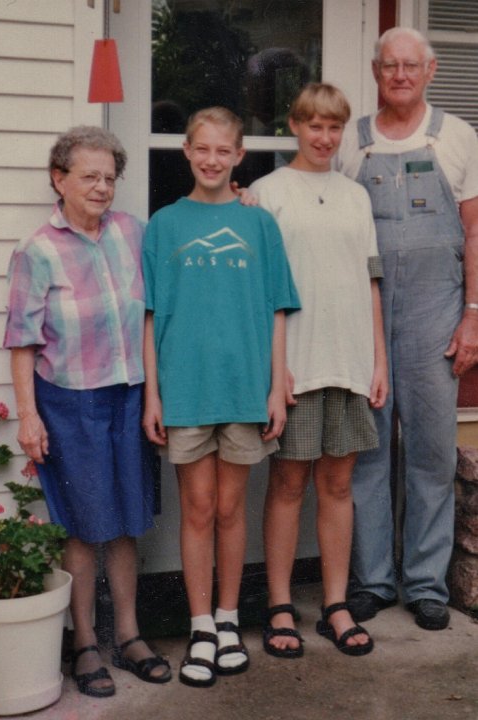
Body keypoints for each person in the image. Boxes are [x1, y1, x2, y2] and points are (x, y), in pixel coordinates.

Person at [3, 126, 171, 697]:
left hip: (127, 394)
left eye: (109, 178)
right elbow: (22, 342)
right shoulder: (37, 251)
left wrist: (153, 394)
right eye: (88, 176)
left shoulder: (132, 233)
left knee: (125, 519)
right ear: (59, 179)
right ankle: (84, 644)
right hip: (69, 400)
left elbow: (150, 315)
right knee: (80, 523)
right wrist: (27, 416)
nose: (101, 188)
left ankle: (128, 635)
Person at [142, 107, 300, 687]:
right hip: (184, 390)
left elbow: (279, 309)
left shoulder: (260, 225)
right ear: (186, 150)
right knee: (198, 508)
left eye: (223, 151)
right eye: (201, 148)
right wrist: (152, 395)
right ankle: (201, 625)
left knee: (232, 509)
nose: (211, 159)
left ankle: (231, 619)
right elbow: (150, 316)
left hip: (243, 391)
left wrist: (276, 389)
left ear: (239, 157)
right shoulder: (164, 224)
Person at [335, 27, 478, 631]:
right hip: (362, 314)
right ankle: (372, 581)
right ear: (375, 71)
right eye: (389, 65)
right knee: (367, 452)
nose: (399, 74)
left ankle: (425, 583)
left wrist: (475, 315)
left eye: (410, 65)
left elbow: (475, 233)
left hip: (435, 315)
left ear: (430, 70)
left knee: (427, 452)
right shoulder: (351, 141)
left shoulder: (458, 136)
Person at [250, 83, 388, 658]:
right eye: (314, 126)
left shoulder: (355, 195)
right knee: (288, 484)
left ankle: (335, 603)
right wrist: (271, 370)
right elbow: (257, 292)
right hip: (296, 364)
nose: (324, 138)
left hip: (349, 361)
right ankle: (280, 603)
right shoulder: (267, 191)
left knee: (337, 485)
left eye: (334, 128)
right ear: (294, 126)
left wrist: (379, 360)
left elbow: (371, 280)